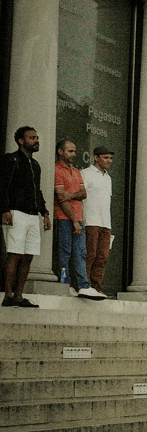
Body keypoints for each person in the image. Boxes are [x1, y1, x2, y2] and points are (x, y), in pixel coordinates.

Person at [2, 127, 52, 308]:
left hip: (32, 215)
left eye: (37, 137)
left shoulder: (35, 164)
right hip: (15, 212)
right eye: (32, 137)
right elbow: (3, 185)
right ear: (21, 141)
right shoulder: (11, 159)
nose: (36, 140)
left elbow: (37, 191)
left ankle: (19, 296)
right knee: (14, 255)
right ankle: (8, 295)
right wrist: (5, 209)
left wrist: (45, 213)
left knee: (28, 256)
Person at [53, 140, 103, 300]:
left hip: (78, 218)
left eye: (74, 151)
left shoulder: (76, 171)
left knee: (80, 253)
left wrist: (71, 195)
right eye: (70, 151)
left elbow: (83, 194)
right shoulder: (56, 170)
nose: (74, 154)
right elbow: (61, 199)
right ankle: (64, 284)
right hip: (63, 218)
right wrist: (74, 220)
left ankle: (82, 286)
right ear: (60, 152)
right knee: (65, 252)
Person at [81, 146, 115, 295]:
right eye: (106, 157)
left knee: (102, 257)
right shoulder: (85, 173)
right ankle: (85, 284)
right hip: (90, 221)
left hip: (105, 223)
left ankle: (96, 287)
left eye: (110, 158)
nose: (109, 161)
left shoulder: (108, 178)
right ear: (96, 157)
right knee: (90, 255)